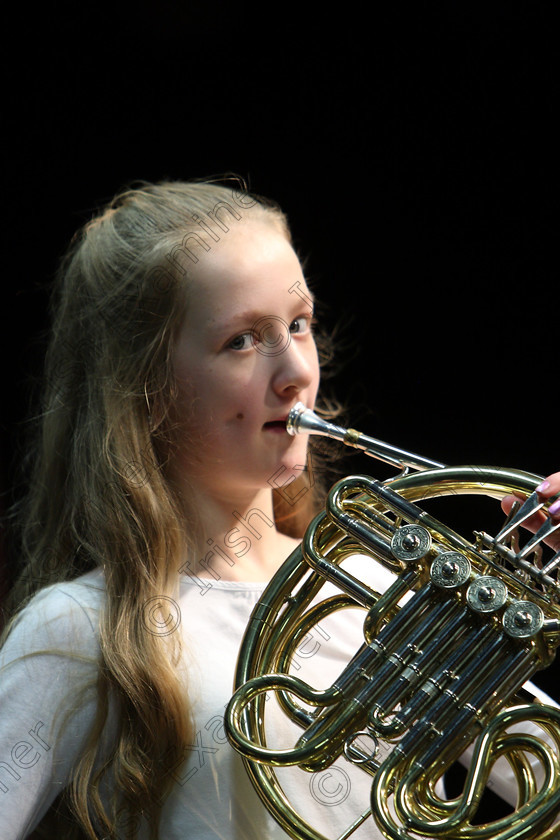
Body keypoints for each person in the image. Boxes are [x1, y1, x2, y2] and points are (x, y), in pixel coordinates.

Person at [0, 178, 558, 840]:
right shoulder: (79, 630)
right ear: (145, 390)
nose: (296, 369)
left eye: (299, 323)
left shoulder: (391, 592)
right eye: (241, 340)